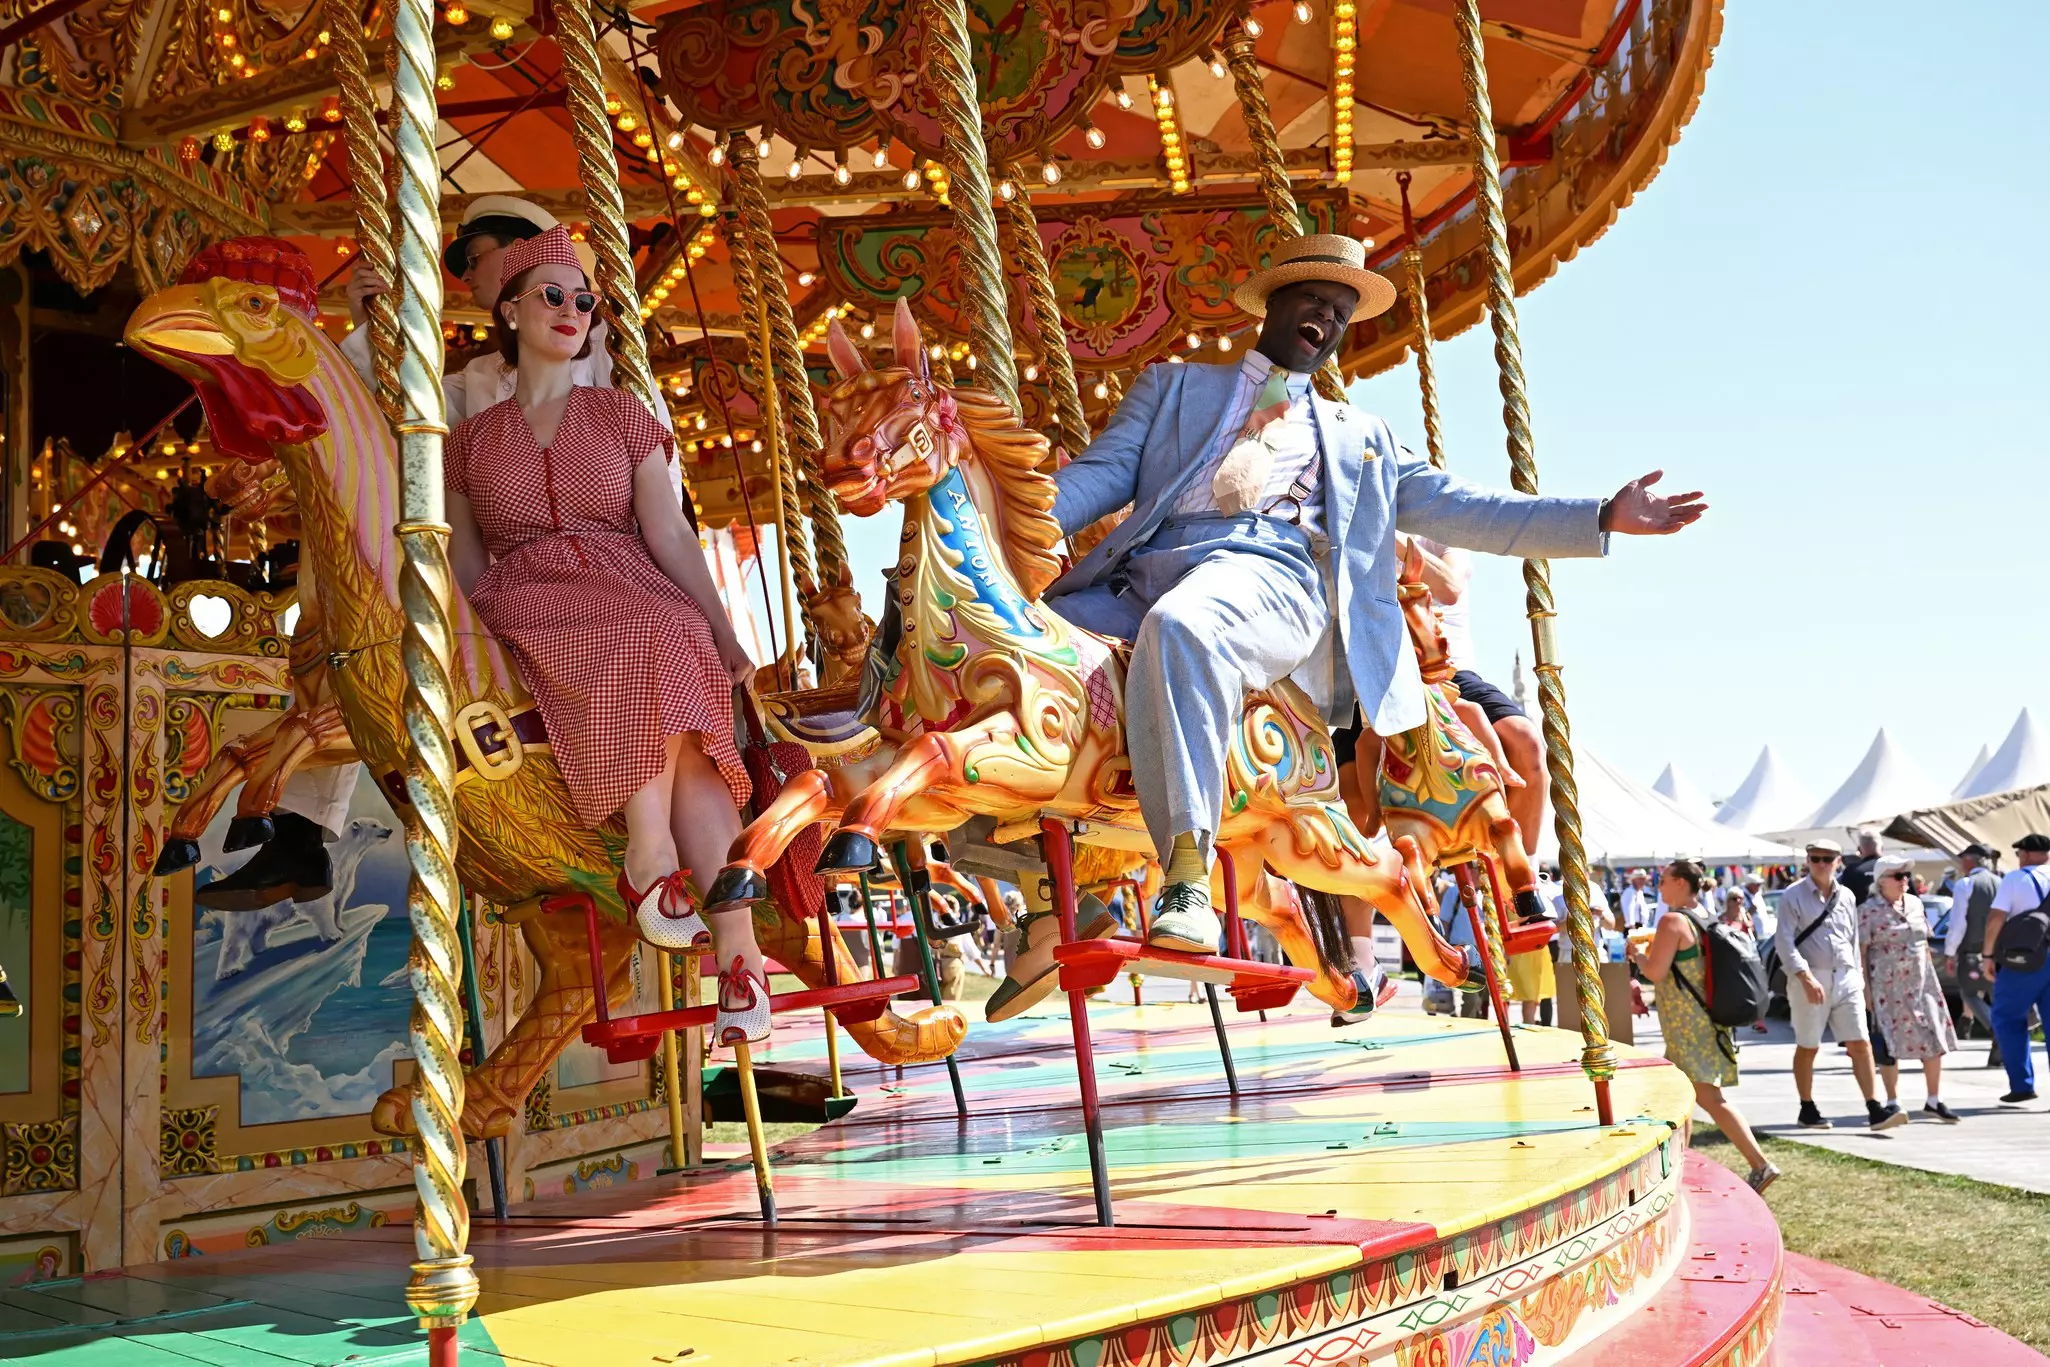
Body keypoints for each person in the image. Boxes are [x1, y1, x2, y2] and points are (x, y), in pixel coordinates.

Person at [1041, 233, 1704, 970]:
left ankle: (1189, 878)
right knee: (1016, 647)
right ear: (1274, 301)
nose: (1326, 319)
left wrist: (1600, 515)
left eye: (1340, 311)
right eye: (1315, 300)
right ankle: (1044, 888)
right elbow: (1095, 479)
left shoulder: (1362, 439)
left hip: (1268, 575)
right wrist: (989, 517)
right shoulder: (1173, 389)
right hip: (1146, 572)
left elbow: (1469, 507)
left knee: (1184, 626)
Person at [204, 196, 680, 912]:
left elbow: (645, 479)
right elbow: (370, 422)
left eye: (480, 257)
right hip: (494, 568)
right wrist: (370, 330)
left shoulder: (598, 361)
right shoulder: (470, 379)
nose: (467, 276)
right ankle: (303, 825)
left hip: (589, 574)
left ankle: (654, 827)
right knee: (347, 594)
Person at [440, 225, 765, 1042]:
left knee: (686, 692)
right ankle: (652, 859)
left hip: (631, 579)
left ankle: (738, 952)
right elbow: (467, 555)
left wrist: (722, 626)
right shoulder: (472, 441)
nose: (571, 310)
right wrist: (487, 635)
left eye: (583, 300)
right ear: (509, 310)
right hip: (531, 589)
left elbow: (671, 533)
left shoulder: (622, 413)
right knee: (645, 632)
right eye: (552, 295)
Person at [1631, 858, 1779, 1194]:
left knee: (1708, 1097)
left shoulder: (1672, 921)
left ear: (1681, 883)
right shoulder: (1703, 917)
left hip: (1688, 1024)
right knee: (1685, 1096)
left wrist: (1637, 954)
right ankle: (1678, 1165)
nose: (1660, 886)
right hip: (1705, 1020)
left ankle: (1760, 1164)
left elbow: (1655, 972)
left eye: (1665, 879)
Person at [1409, 537, 1546, 856]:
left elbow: (1450, 585)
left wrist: (1395, 543)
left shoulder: (1438, 528)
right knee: (1346, 783)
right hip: (1383, 679)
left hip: (1448, 667)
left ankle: (1522, 873)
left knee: (1526, 741)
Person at [1774, 839, 1906, 1131]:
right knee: (1808, 1046)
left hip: (1845, 976)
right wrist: (1804, 977)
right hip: (1811, 976)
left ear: (1838, 862)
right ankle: (1807, 1108)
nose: (1820, 864)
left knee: (1861, 1042)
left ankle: (1875, 1109)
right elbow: (1783, 941)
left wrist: (1858, 978)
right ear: (1807, 860)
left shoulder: (1846, 895)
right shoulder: (1792, 895)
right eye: (1815, 858)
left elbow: (1853, 939)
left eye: (1827, 859)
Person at [1860, 854, 1960, 1122]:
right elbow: (1862, 951)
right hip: (1886, 986)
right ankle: (1893, 1101)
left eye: (1905, 876)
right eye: (1898, 876)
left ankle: (1933, 1099)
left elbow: (1924, 941)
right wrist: (1865, 990)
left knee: (1934, 1037)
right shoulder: (1868, 910)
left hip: (1922, 983)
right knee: (1889, 1043)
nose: (1904, 881)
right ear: (1881, 881)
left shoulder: (1915, 904)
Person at [1985, 833, 2050, 1105]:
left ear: (2026, 854)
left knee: (2007, 1017)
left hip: (2026, 960)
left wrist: (1988, 954)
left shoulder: (2015, 878)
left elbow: (1997, 917)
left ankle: (2022, 1084)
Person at [1943, 842, 2002, 1052]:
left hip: (1972, 950)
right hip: (1999, 952)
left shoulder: (1965, 884)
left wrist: (1949, 953)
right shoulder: (2001, 882)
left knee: (1968, 993)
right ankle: (1999, 1049)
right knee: (1996, 996)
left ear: (1969, 860)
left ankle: (1997, 1029)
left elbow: (1958, 924)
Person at [1839, 828, 1883, 905]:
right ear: (1882, 848)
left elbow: (1842, 900)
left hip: (1858, 915)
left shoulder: (1851, 871)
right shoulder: (1896, 868)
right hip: (1895, 916)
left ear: (1859, 849)